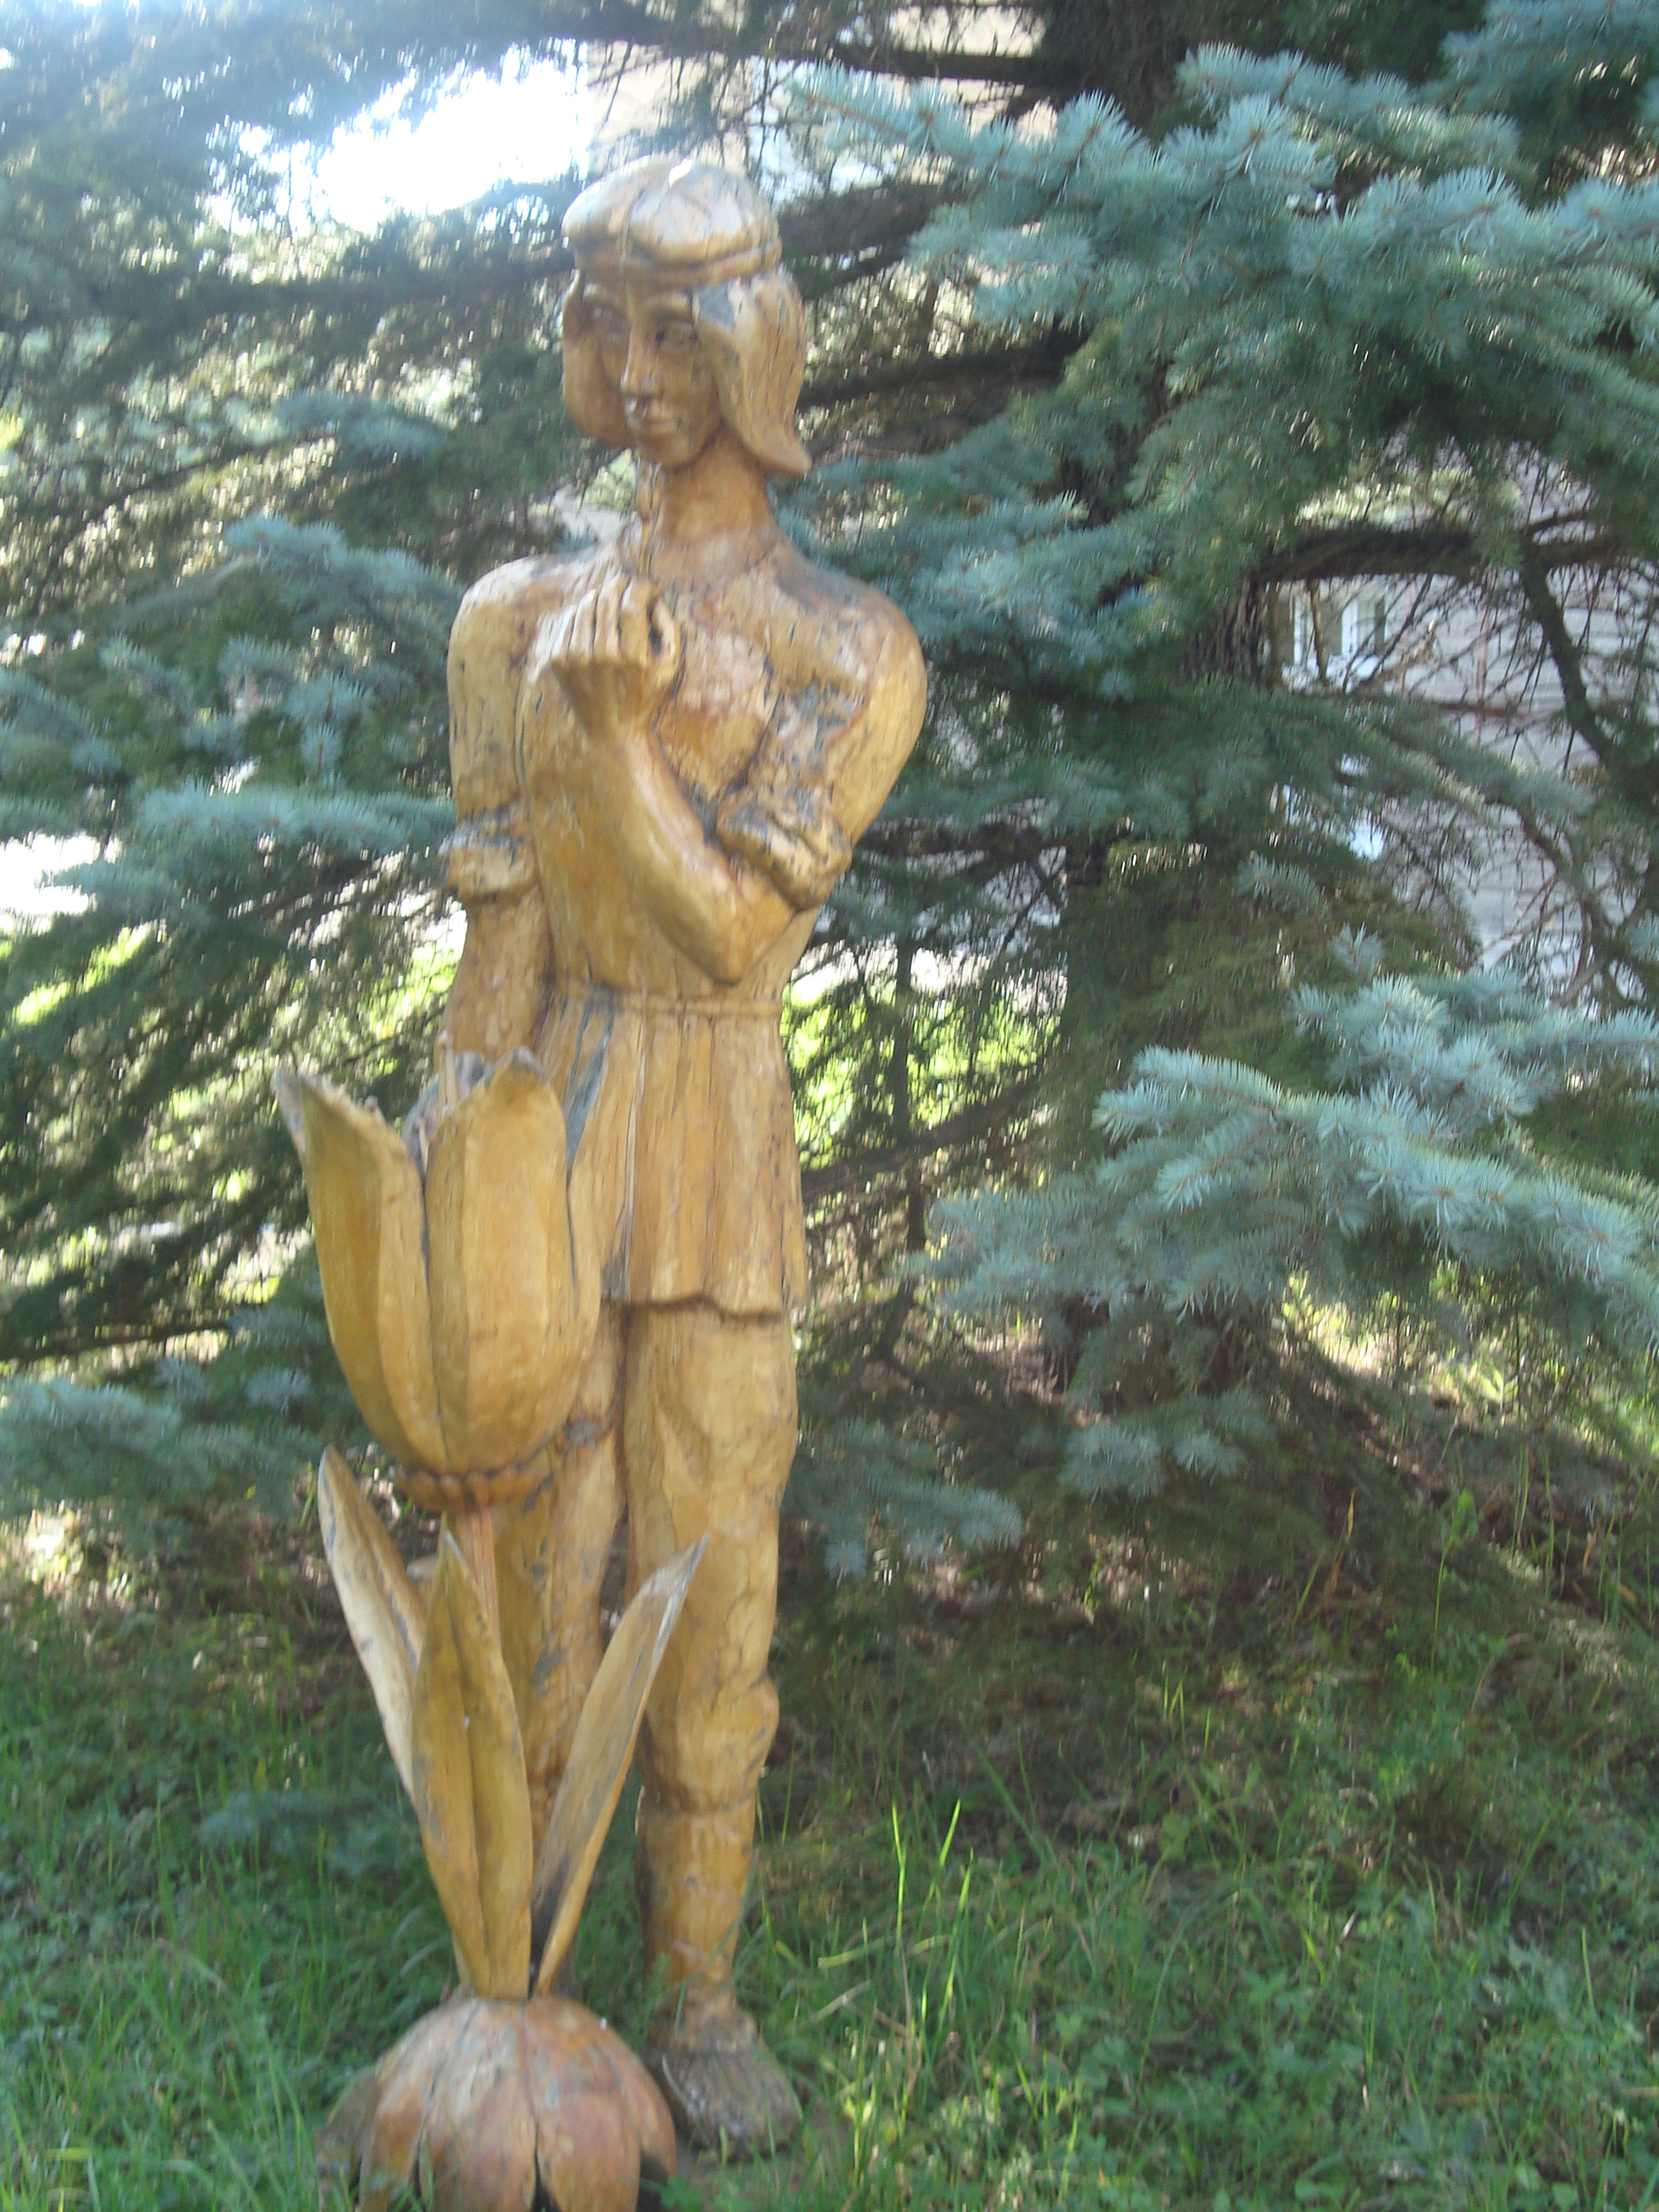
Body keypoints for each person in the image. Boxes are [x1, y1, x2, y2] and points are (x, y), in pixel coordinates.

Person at [438, 155, 925, 2154]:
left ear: (755, 349)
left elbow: (728, 937)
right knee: (536, 1568)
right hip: (551, 1127)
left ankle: (701, 2003)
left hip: (717, 1144)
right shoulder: (510, 622)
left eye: (677, 332)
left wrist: (624, 737)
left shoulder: (843, 651)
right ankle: (526, 1987)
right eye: (604, 325)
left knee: (713, 1587)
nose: (636, 375)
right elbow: (501, 944)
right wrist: (454, 1182)